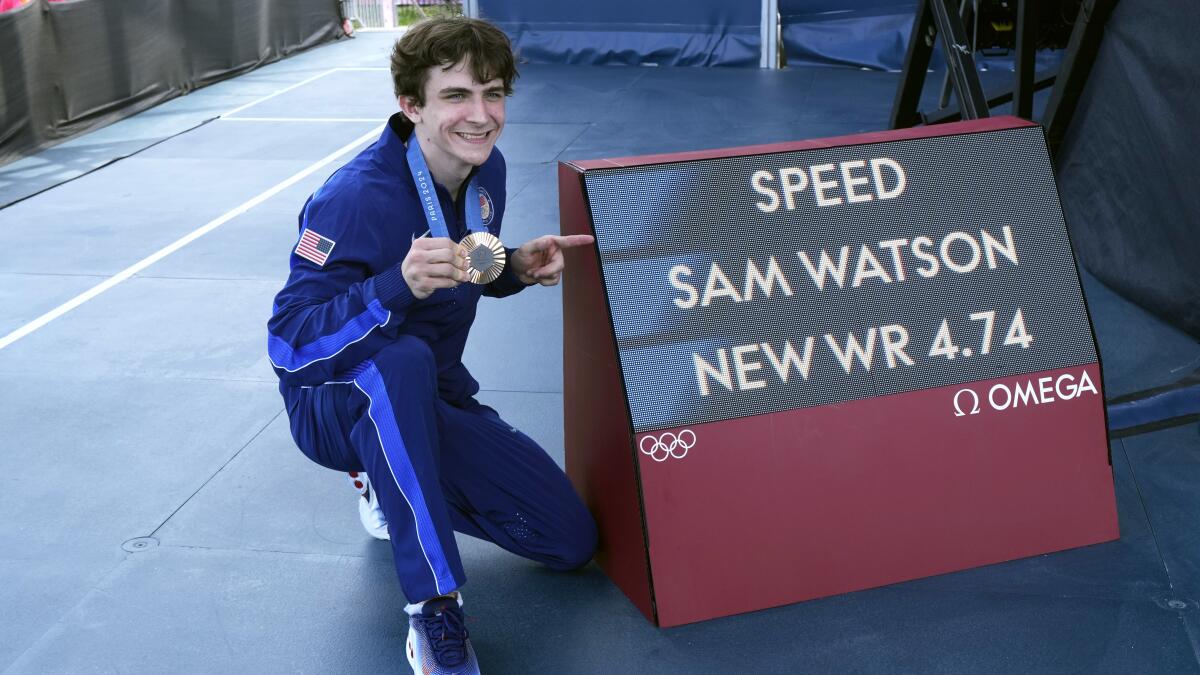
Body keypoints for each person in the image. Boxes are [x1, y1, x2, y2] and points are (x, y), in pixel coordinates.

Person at [266, 16, 598, 674]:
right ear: (411, 104)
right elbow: (290, 344)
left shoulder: (485, 172)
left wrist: (514, 269)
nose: (480, 116)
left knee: (568, 539)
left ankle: (390, 474)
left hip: (435, 394)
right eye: (456, 96)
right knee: (399, 360)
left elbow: (466, 268)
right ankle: (434, 609)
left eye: (493, 93)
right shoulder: (355, 198)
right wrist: (396, 285)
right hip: (335, 403)